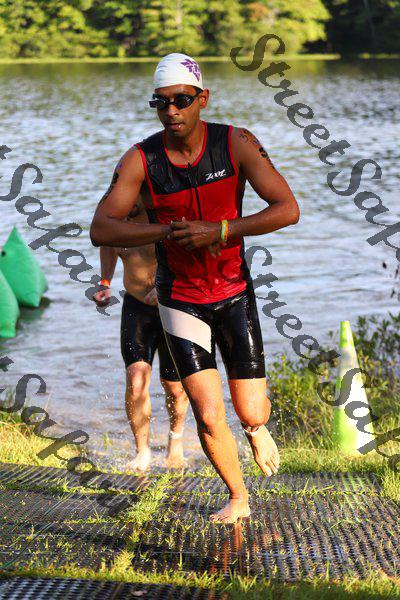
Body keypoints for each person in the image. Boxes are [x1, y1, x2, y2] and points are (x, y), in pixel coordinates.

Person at [90, 52, 300, 522]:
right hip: (180, 299)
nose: (171, 111)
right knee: (207, 412)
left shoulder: (236, 143)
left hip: (233, 291)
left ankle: (255, 429)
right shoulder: (140, 159)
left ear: (202, 98)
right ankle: (238, 498)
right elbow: (101, 228)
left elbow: (288, 209)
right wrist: (166, 231)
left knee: (251, 411)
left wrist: (221, 230)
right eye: (160, 102)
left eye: (181, 100)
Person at [93, 200, 189, 471]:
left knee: (174, 387)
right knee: (136, 378)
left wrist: (164, 285)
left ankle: (175, 440)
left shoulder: (163, 213)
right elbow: (107, 242)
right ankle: (142, 451)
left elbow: (189, 253)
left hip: (173, 305)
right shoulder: (114, 216)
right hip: (136, 305)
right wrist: (105, 281)